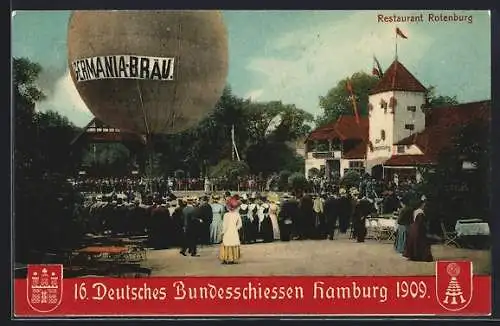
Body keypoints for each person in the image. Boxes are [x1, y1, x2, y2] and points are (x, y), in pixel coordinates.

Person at [220, 196, 243, 264]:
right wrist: (235, 228)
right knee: (233, 244)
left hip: (227, 232)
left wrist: (222, 232)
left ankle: (226, 258)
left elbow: (224, 225)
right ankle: (233, 258)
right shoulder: (237, 214)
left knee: (226, 244)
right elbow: (240, 224)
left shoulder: (226, 215)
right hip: (234, 231)